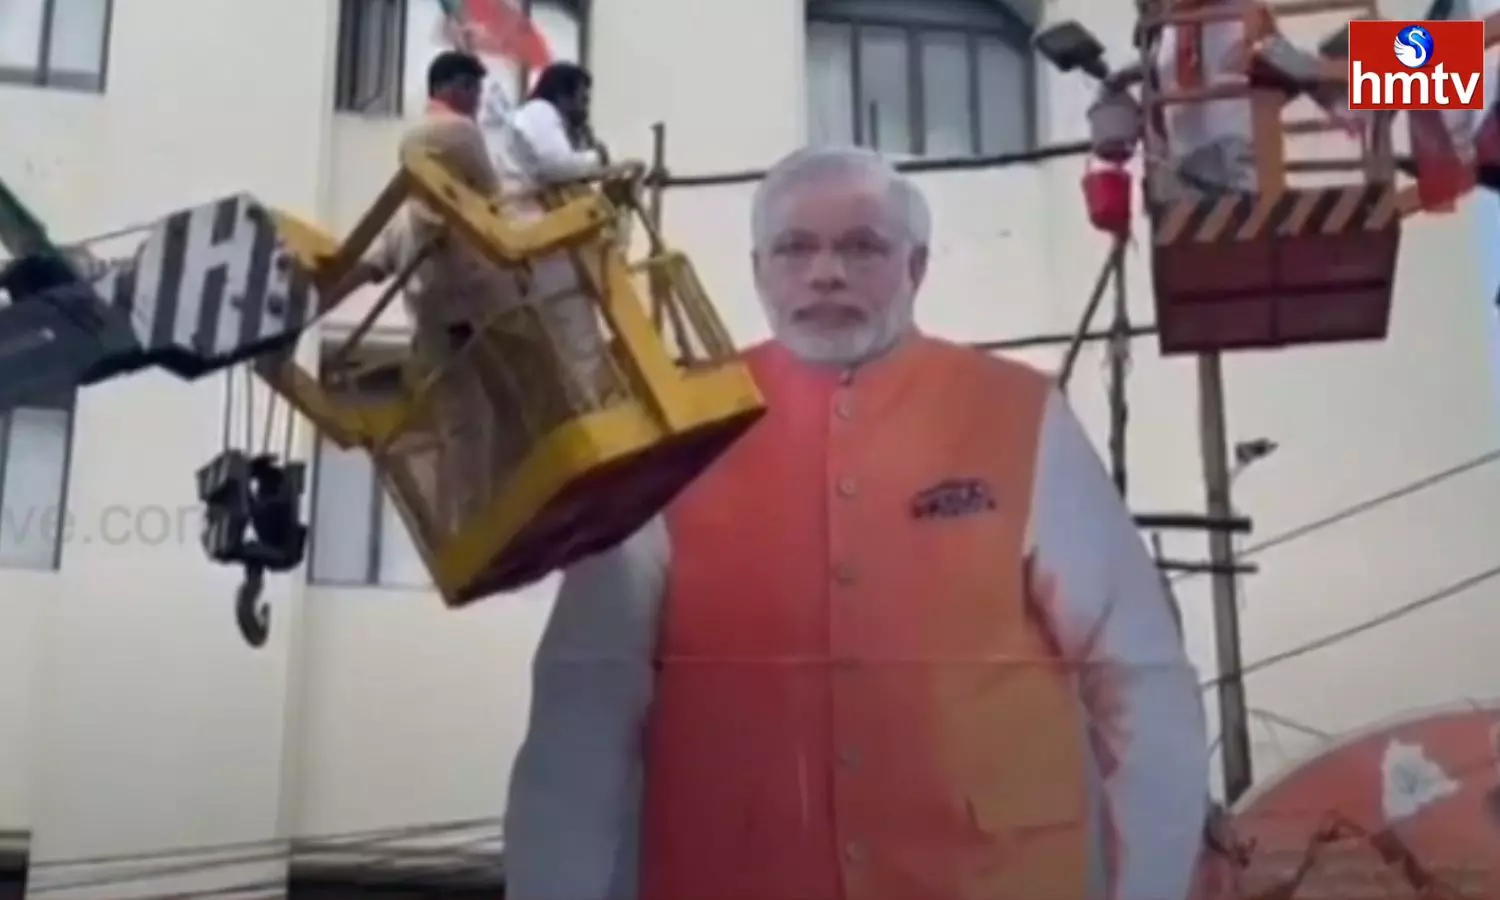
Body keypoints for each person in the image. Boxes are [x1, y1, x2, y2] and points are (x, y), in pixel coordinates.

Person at [502, 145, 1211, 900]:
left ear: (917, 267)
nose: (826, 272)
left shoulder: (1019, 413)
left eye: (862, 247)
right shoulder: (674, 431)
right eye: (796, 248)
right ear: (758, 270)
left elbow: (1140, 675)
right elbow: (583, 712)